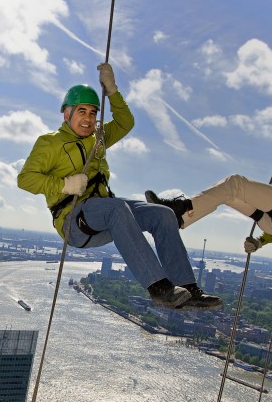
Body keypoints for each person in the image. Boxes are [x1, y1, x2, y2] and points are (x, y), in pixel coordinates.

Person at [17, 63, 220, 310]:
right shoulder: (51, 143)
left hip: (105, 216)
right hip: (74, 220)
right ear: (66, 114)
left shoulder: (97, 139)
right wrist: (64, 184)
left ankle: (187, 289)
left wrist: (112, 90)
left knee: (162, 214)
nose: (88, 118)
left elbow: (125, 122)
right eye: (81, 111)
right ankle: (159, 287)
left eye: (93, 113)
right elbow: (25, 179)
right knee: (117, 208)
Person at [144, 111, 272, 254]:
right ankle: (179, 219)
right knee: (229, 193)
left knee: (236, 183)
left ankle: (178, 207)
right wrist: (260, 242)